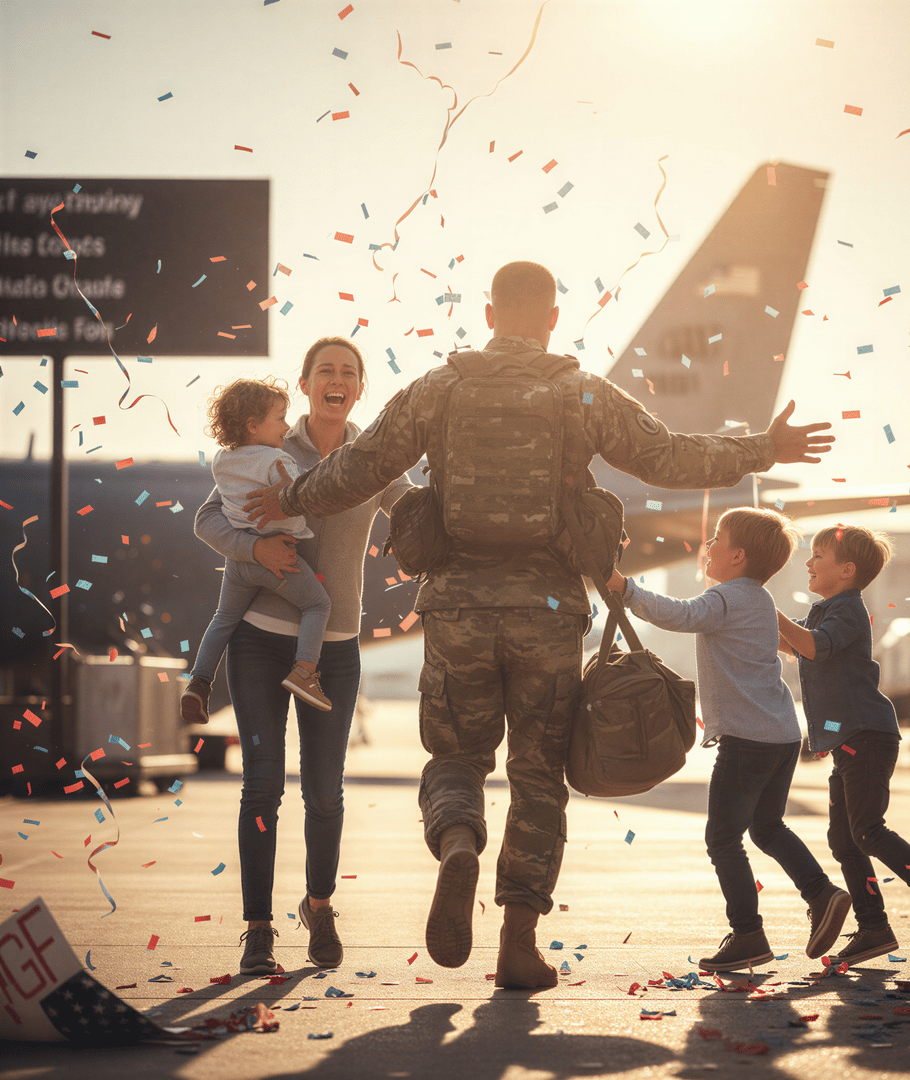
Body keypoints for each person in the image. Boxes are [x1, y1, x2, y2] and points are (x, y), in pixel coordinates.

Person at [244, 260, 835, 989]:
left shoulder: (438, 387)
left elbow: (360, 469)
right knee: (538, 776)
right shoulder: (580, 391)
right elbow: (666, 458)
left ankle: (458, 838)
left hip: (456, 605)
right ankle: (517, 942)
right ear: (553, 319)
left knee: (456, 758)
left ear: (489, 316)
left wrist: (288, 497)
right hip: (550, 612)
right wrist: (762, 449)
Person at [192, 337, 411, 976]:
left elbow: (418, 513)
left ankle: (319, 905)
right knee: (261, 787)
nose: (335, 380)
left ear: (359, 388)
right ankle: (257, 929)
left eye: (347, 371)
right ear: (308, 383)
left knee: (324, 793)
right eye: (324, 371)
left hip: (335, 647)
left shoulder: (375, 459)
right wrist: (253, 550)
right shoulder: (270, 448)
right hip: (261, 639)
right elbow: (208, 520)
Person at [607, 508, 851, 971]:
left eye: (716, 539)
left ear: (737, 556)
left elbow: (679, 615)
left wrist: (627, 589)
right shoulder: (759, 600)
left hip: (747, 740)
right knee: (767, 827)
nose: (708, 546)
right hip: (780, 736)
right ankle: (822, 894)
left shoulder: (725, 598)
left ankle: (748, 936)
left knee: (723, 840)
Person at [777, 524, 910, 966]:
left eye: (817, 556)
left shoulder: (847, 611)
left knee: (866, 830)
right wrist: (740, 607)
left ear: (846, 570)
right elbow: (789, 645)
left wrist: (766, 608)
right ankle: (874, 928)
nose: (808, 563)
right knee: (844, 841)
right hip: (849, 741)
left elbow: (809, 646)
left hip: (867, 735)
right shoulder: (826, 609)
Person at [181, 376, 334, 724]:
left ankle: (199, 682)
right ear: (253, 425)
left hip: (239, 560)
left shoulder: (222, 460)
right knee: (317, 603)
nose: (286, 426)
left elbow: (216, 509)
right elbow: (295, 510)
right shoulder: (280, 462)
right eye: (280, 418)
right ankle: (304, 672)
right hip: (279, 556)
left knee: (223, 619)